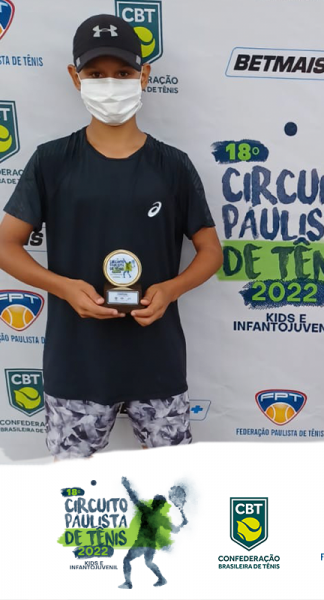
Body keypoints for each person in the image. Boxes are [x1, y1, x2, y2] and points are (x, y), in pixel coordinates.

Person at [0, 14, 223, 459]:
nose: (110, 85)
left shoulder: (173, 166)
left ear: (144, 75)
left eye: (122, 73)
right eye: (96, 74)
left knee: (172, 487)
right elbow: (6, 245)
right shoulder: (52, 162)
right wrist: (64, 287)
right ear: (75, 77)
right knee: (71, 490)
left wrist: (171, 289)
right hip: (77, 365)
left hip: (157, 361)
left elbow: (210, 251)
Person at [119, 476, 187, 588]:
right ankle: (161, 579)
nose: (153, 502)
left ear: (155, 503)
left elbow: (134, 499)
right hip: (151, 545)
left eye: (155, 501)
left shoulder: (146, 510)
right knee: (148, 563)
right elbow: (175, 530)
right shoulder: (162, 519)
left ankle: (128, 583)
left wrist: (127, 487)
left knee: (127, 560)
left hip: (141, 543)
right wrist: (182, 524)